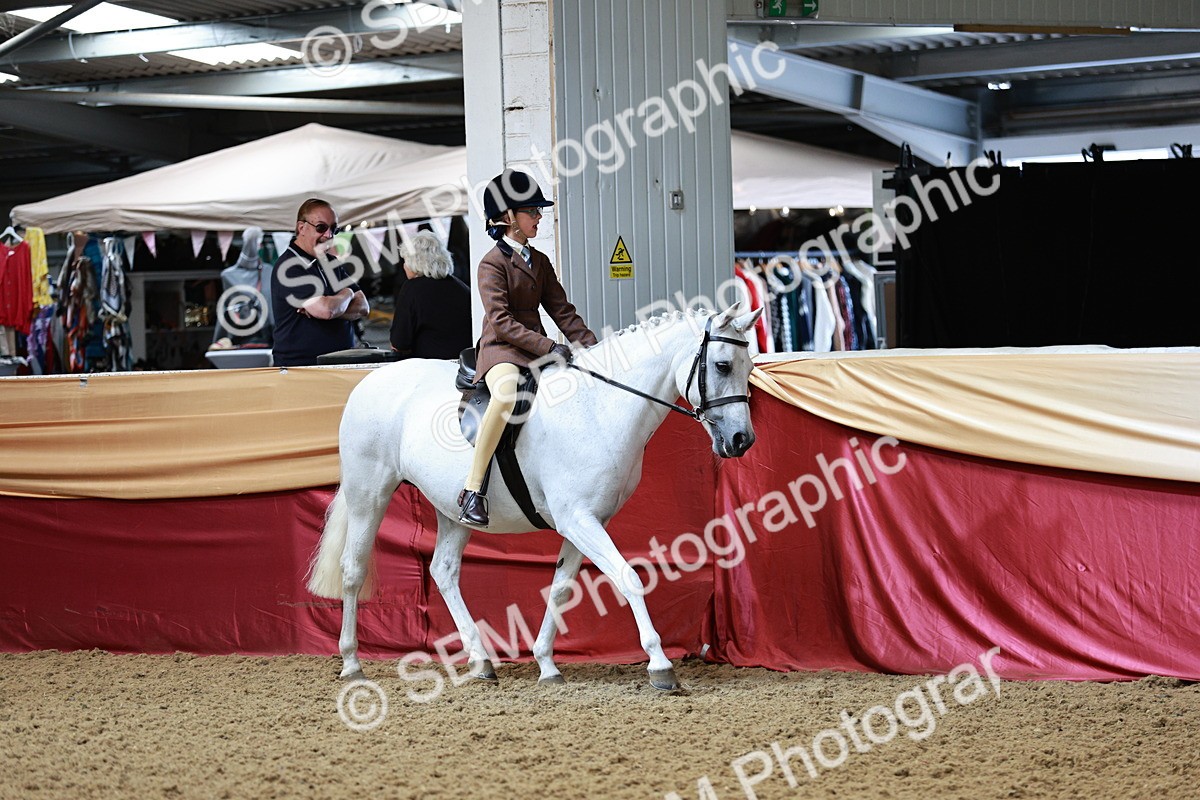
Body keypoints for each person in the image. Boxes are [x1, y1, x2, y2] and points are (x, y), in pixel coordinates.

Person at [458, 169, 598, 527]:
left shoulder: (540, 262)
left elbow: (563, 312)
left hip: (536, 351)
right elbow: (501, 321)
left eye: (538, 211)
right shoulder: (491, 264)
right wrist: (549, 346)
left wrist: (595, 351)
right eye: (532, 211)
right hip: (502, 350)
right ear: (508, 217)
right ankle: (473, 490)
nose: (539, 217)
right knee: (506, 396)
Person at [270, 198, 369, 367]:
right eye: (321, 227)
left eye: (334, 229)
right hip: (302, 368)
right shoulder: (289, 267)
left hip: (339, 364)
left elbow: (363, 307)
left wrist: (333, 305)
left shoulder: (331, 262)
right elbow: (326, 311)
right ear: (301, 228)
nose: (329, 235)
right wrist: (348, 293)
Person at [389, 231, 471, 359]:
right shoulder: (462, 287)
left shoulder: (411, 288)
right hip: (464, 364)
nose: (404, 266)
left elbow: (399, 343)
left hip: (429, 365)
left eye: (405, 261)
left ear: (414, 263)